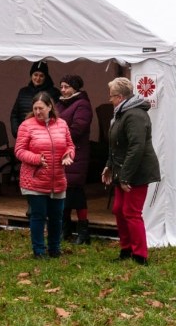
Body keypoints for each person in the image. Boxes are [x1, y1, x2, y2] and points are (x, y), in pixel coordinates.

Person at [100, 77, 160, 265]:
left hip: (138, 171)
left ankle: (140, 255)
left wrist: (126, 176)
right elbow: (114, 144)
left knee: (131, 212)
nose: (109, 100)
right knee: (119, 209)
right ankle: (125, 249)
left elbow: (137, 147)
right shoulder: (120, 114)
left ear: (119, 97)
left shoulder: (134, 115)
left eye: (111, 96)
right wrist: (109, 165)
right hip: (121, 169)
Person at [15, 92, 75, 258]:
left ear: (50, 107)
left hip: (57, 179)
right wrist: (36, 159)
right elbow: (19, 151)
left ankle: (55, 248)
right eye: (35, 108)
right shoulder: (26, 126)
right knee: (38, 216)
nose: (37, 112)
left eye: (41, 108)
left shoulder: (62, 124)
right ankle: (39, 250)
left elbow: (70, 145)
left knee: (57, 217)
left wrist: (69, 155)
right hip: (35, 180)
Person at [56, 74, 94, 244]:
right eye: (62, 86)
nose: (63, 90)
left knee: (75, 191)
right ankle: (65, 228)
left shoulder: (82, 105)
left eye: (67, 87)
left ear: (75, 88)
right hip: (60, 153)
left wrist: (56, 136)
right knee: (62, 191)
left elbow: (78, 129)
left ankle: (83, 230)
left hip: (76, 154)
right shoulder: (59, 104)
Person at [10, 60, 60, 138]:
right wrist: (17, 132)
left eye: (41, 76)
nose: (38, 78)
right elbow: (14, 114)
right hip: (24, 135)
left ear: (46, 77)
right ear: (31, 75)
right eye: (35, 75)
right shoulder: (23, 91)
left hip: (44, 137)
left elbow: (57, 115)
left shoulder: (54, 92)